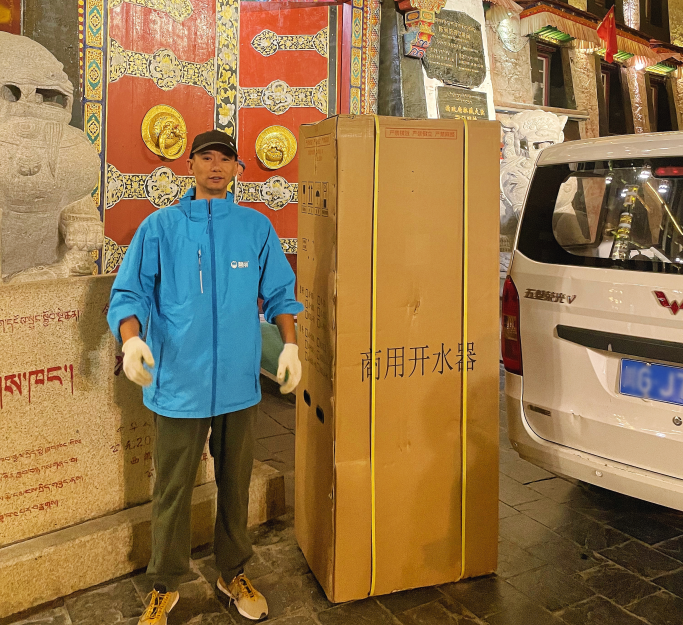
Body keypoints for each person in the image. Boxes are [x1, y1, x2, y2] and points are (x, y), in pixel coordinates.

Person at [107, 129, 303, 624]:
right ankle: (164, 583)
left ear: (238, 169)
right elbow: (129, 293)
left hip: (238, 385)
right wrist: (131, 340)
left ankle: (232, 572)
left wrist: (290, 346)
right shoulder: (161, 227)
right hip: (179, 384)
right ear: (190, 165)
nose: (216, 166)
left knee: (235, 484)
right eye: (206, 157)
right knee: (173, 489)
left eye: (225, 159)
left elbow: (280, 293)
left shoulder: (255, 228)